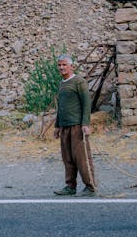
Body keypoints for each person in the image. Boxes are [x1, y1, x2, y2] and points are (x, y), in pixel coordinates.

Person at [53, 54, 97, 197]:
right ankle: (70, 186)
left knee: (81, 157)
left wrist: (85, 123)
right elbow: (61, 107)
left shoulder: (79, 82)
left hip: (77, 126)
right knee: (68, 158)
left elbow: (86, 103)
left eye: (64, 65)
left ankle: (90, 187)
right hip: (65, 126)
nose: (61, 67)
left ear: (71, 66)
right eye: (59, 65)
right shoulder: (62, 83)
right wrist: (57, 126)